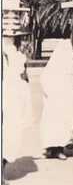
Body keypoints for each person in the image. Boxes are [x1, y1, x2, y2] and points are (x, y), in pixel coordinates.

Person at [40, 40, 73, 160]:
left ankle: (57, 150)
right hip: (56, 100)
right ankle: (53, 150)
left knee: (61, 124)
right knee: (55, 124)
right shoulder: (55, 65)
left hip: (64, 100)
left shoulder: (67, 64)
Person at [2, 37, 33, 169]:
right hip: (11, 99)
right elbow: (25, 78)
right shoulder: (18, 56)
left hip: (12, 99)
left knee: (9, 133)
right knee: (10, 133)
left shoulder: (18, 56)